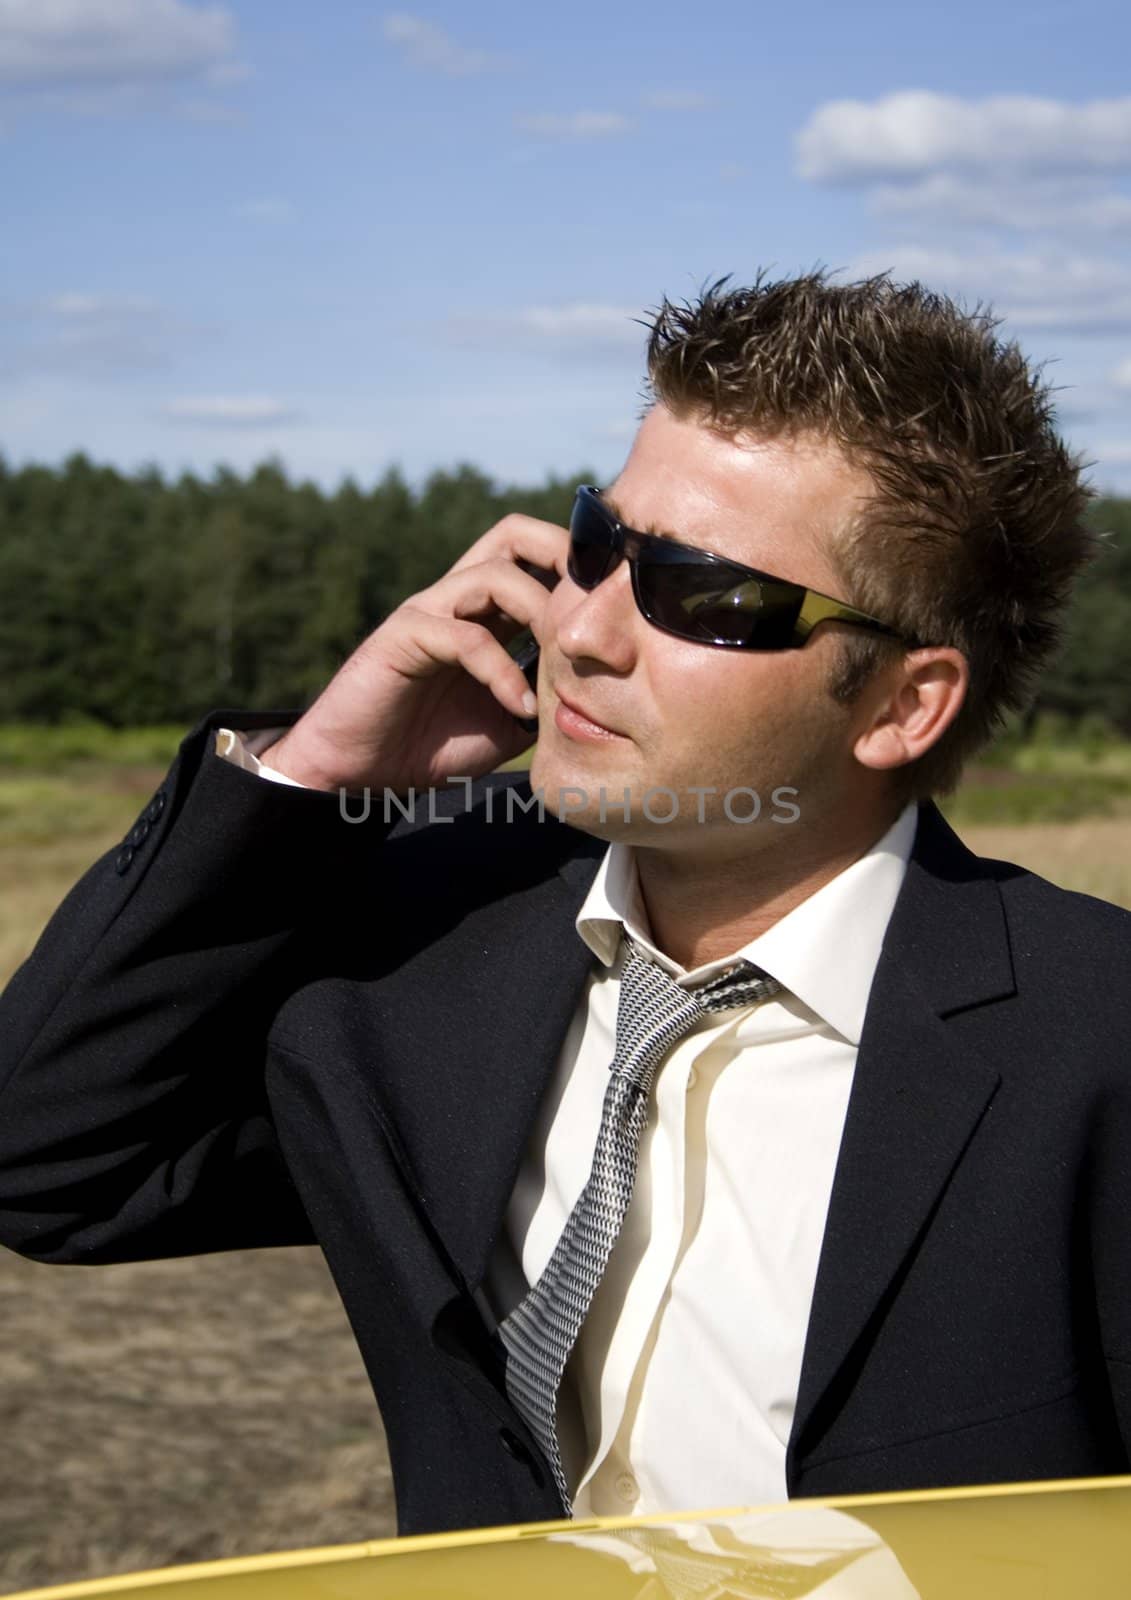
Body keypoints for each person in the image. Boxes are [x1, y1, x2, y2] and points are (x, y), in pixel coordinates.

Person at [1, 269, 1129, 1542]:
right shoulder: (424, 956)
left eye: (706, 594)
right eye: (599, 546)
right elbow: (49, 1165)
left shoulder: (1092, 1043)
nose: (582, 631)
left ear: (901, 704)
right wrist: (310, 773)